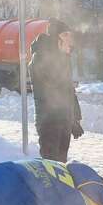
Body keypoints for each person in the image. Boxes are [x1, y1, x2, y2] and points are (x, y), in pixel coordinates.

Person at [29, 19, 83, 162]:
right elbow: (54, 87)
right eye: (65, 35)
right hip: (49, 122)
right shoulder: (39, 58)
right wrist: (62, 57)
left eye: (69, 35)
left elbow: (69, 91)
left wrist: (74, 119)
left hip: (63, 120)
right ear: (56, 38)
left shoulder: (63, 59)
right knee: (51, 168)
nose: (69, 39)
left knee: (61, 166)